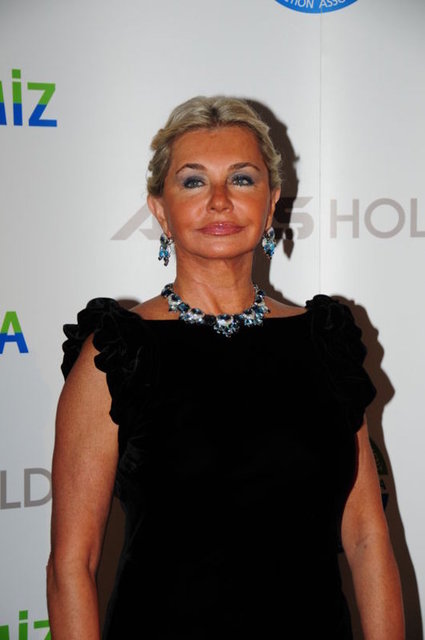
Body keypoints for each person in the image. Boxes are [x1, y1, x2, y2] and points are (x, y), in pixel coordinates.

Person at [47, 96, 404, 639]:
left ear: (271, 201)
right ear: (160, 210)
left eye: (241, 179)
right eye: (193, 182)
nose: (219, 201)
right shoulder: (119, 353)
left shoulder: (324, 342)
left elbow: (366, 536)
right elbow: (72, 564)